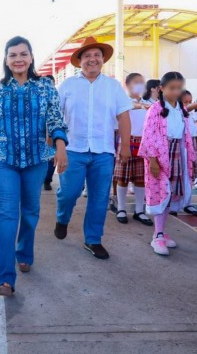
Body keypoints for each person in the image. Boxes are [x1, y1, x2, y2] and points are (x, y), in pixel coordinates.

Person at [0, 36, 68, 297]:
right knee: (8, 215)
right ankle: (5, 278)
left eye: (23, 54)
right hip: (3, 159)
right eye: (12, 55)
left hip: (36, 160)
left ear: (31, 57)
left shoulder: (45, 87)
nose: (18, 59)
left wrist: (61, 147)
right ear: (6, 60)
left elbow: (55, 119)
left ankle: (24, 252)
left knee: (30, 212)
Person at [54, 37, 132, 260]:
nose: (92, 59)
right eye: (87, 56)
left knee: (99, 198)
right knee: (69, 193)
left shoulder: (113, 86)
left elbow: (124, 115)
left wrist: (124, 146)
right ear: (79, 61)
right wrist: (55, 146)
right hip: (73, 150)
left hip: (103, 152)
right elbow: (55, 117)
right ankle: (62, 217)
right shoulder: (67, 86)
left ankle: (93, 239)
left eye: (96, 55)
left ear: (102, 59)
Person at [139, 72, 196, 256]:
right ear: (161, 88)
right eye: (172, 88)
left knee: (171, 194)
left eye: (179, 88)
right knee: (160, 192)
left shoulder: (181, 109)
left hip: (178, 153)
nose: (176, 91)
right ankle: (158, 235)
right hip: (161, 155)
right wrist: (153, 160)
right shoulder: (155, 109)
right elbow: (149, 135)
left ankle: (161, 231)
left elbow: (186, 132)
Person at [113, 73, 152, 226]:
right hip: (126, 142)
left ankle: (139, 210)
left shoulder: (149, 103)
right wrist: (125, 145)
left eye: (142, 82)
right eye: (136, 82)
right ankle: (121, 208)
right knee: (123, 177)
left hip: (144, 144)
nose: (140, 85)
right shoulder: (122, 103)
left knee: (140, 179)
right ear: (127, 84)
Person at [42, 75, 57, 191]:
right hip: (41, 134)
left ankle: (47, 180)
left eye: (51, 83)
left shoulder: (57, 95)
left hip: (55, 133)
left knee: (52, 158)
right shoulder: (39, 95)